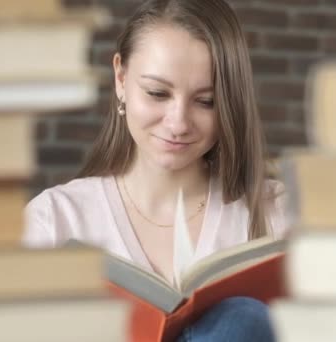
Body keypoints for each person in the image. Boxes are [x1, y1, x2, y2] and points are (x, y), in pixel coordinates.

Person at [22, 0, 291, 341]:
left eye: (206, 101)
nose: (178, 123)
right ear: (121, 79)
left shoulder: (277, 214)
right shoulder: (54, 221)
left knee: (242, 319)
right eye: (157, 93)